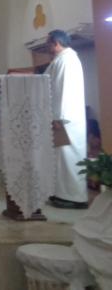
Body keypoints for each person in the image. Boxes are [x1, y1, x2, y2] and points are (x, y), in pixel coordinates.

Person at [45, 30, 88, 209]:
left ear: (56, 43)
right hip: (61, 116)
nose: (47, 47)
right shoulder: (61, 60)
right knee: (61, 157)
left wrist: (58, 117)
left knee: (69, 157)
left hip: (66, 118)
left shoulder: (66, 60)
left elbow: (64, 90)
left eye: (48, 43)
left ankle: (75, 197)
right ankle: (61, 193)